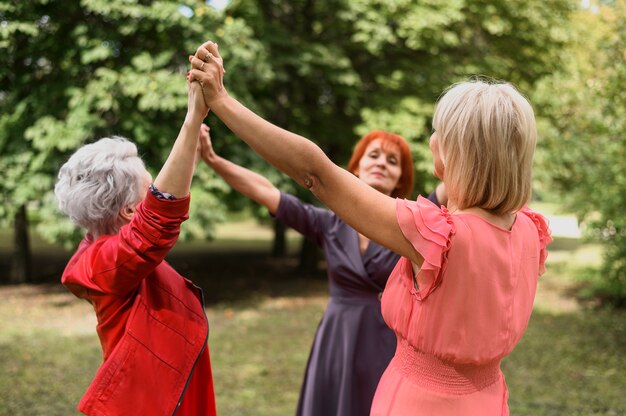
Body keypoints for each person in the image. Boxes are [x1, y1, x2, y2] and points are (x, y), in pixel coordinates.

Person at [190, 41, 552, 415]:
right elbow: (276, 192)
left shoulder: (434, 231)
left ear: (452, 154)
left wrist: (220, 100)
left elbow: (315, 172)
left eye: (439, 135)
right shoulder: (529, 229)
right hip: (485, 402)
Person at [199, 124, 414, 416]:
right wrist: (213, 159)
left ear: (400, 179)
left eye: (392, 161)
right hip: (336, 341)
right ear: (356, 166)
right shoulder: (329, 224)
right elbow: (266, 192)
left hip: (387, 343)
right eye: (373, 155)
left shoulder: (410, 228)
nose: (381, 163)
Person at [55, 50, 216, 415]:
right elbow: (157, 222)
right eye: (149, 188)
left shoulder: (106, 247)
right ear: (129, 211)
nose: (157, 189)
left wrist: (189, 148)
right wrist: (192, 119)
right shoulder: (101, 262)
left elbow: (159, 209)